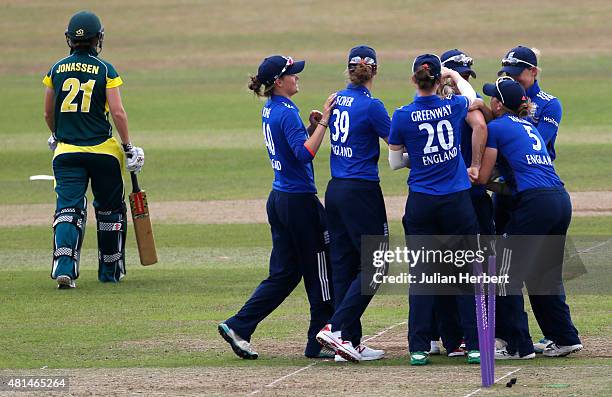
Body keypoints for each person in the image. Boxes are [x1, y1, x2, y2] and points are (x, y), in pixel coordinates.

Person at [218, 55, 336, 360]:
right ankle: (320, 339)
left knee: (284, 274)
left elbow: (295, 148)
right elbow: (304, 154)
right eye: (292, 74)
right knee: (322, 271)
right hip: (299, 203)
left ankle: (238, 326)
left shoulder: (272, 109)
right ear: (279, 82)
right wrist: (323, 121)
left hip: (280, 198)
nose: (297, 77)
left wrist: (310, 128)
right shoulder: (285, 113)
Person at [476, 77, 582, 359]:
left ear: (498, 104)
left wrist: (468, 178)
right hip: (559, 199)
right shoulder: (527, 126)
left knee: (502, 274)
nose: (488, 101)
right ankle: (564, 338)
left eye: (491, 98)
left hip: (534, 204)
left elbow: (484, 177)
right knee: (543, 274)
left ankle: (516, 345)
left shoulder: (496, 128)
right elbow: (509, 182)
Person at [388, 54, 481, 366]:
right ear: (438, 79)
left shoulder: (401, 115)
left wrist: (420, 157)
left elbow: (394, 162)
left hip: (422, 201)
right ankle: (473, 346)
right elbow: (471, 97)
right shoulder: (451, 106)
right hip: (456, 200)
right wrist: (453, 76)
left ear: (414, 79)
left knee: (422, 275)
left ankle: (418, 347)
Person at [43, 11, 144, 289]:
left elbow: (48, 112)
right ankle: (109, 271)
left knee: (68, 210)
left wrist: (56, 135)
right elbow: (118, 113)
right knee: (110, 212)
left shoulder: (55, 69)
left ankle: (64, 267)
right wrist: (128, 147)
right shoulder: (105, 69)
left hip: (66, 153)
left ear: (70, 39)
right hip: (103, 153)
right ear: (98, 38)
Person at [315, 46, 390, 363]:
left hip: (335, 190)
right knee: (378, 263)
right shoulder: (372, 107)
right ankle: (336, 329)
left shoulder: (335, 98)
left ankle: (347, 343)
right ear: (374, 71)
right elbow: (397, 140)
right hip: (361, 191)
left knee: (344, 264)